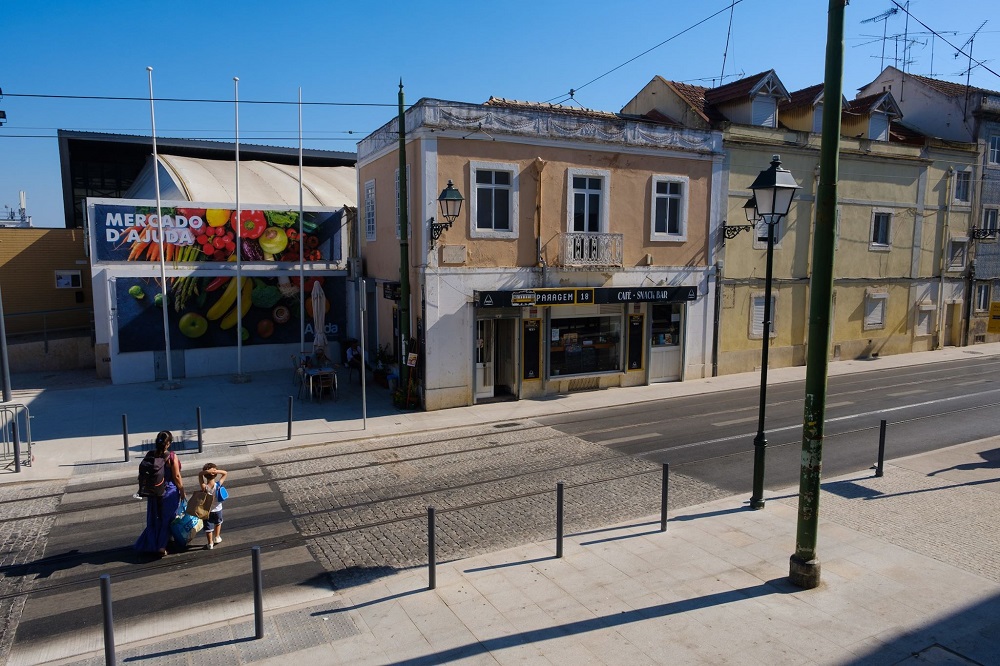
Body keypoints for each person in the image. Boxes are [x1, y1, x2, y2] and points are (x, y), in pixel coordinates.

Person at [134, 431, 185, 556]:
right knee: (167, 519)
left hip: (154, 491)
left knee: (155, 518)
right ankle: (162, 546)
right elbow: (177, 476)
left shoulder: (151, 454)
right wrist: (182, 490)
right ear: (168, 443)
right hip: (169, 491)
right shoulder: (171, 456)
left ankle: (152, 542)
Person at [199, 463, 228, 549]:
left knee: (208, 528)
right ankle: (217, 537)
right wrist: (215, 471)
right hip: (218, 509)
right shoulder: (218, 485)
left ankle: (210, 543)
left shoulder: (204, 487)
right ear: (215, 475)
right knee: (218, 523)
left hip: (207, 511)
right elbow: (225, 473)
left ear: (205, 476)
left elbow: (200, 475)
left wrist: (207, 471)